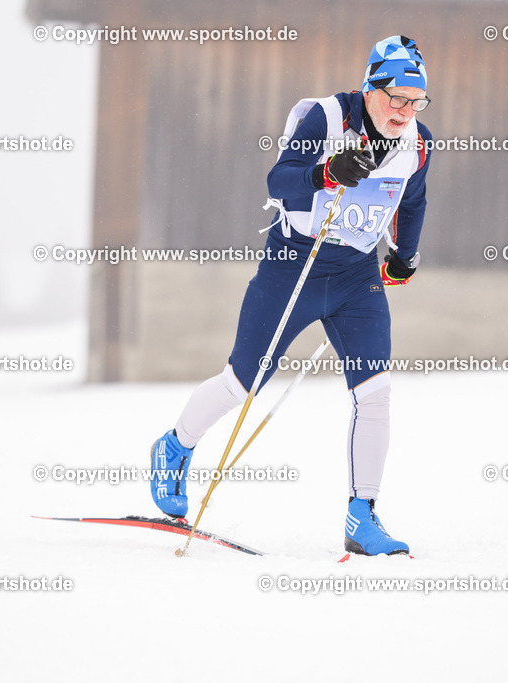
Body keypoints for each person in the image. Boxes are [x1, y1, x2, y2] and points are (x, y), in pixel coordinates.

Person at [150, 36, 432, 556]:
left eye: (416, 101)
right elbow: (279, 181)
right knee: (242, 382)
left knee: (374, 393)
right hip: (293, 268)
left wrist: (404, 257)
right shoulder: (325, 119)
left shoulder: (418, 142)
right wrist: (327, 173)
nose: (405, 110)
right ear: (370, 90)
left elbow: (412, 199)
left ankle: (362, 514)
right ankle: (174, 446)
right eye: (396, 97)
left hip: (356, 277)